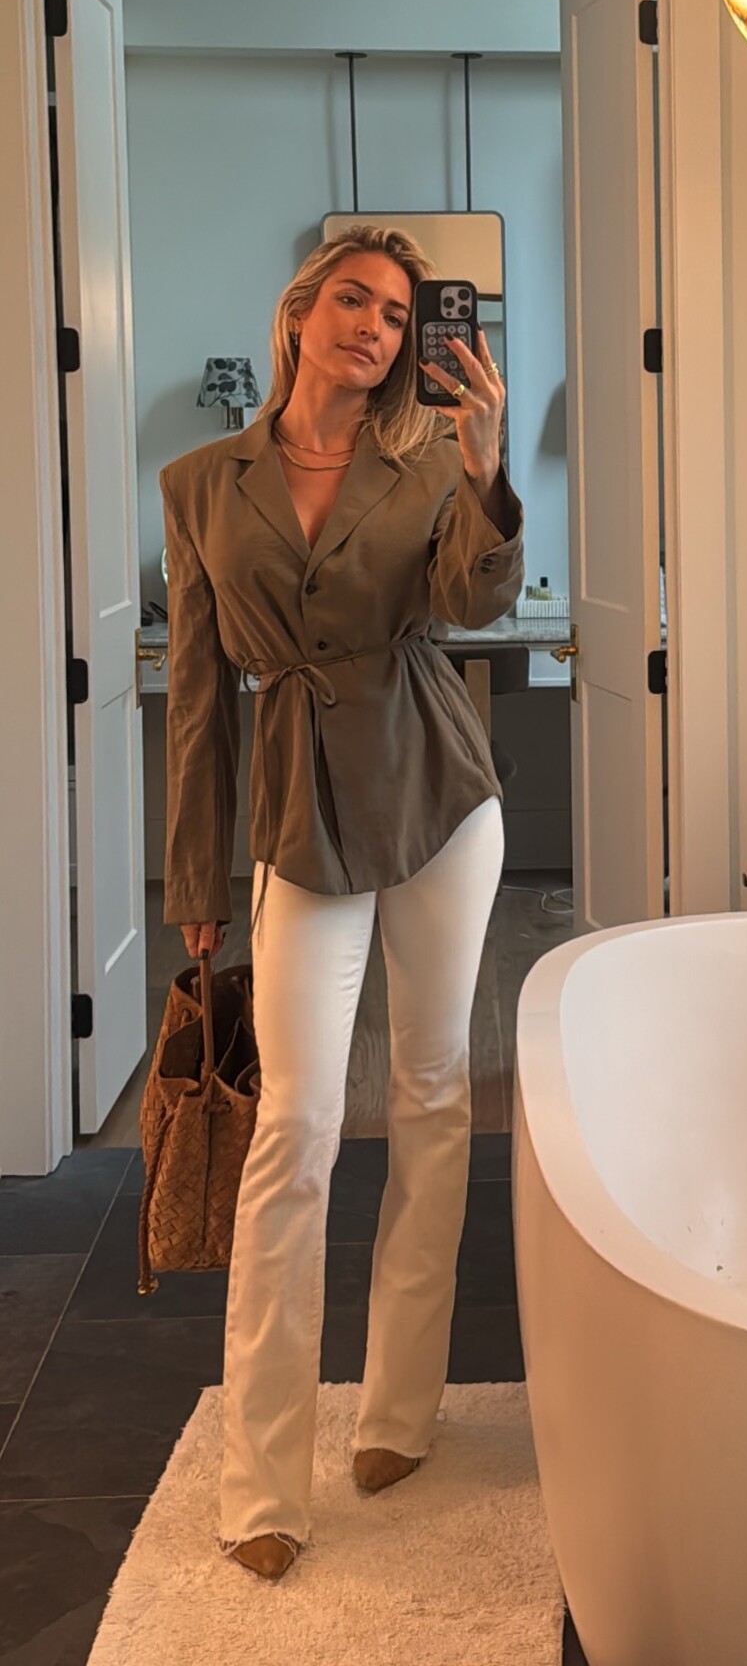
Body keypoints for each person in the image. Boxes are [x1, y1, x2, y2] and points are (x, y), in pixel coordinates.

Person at [159, 224, 525, 1581]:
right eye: (356, 301)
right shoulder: (200, 484)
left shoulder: (428, 461)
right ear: (301, 314)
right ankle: (262, 1477)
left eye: (400, 314)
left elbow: (471, 605)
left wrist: (487, 473)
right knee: (298, 1126)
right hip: (296, 810)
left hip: (438, 790)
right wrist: (196, 876)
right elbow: (197, 698)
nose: (378, 327)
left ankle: (399, 1413)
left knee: (431, 1092)